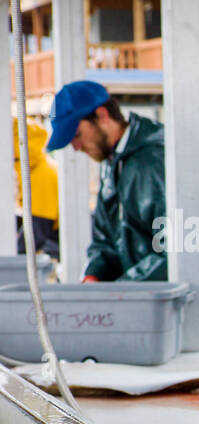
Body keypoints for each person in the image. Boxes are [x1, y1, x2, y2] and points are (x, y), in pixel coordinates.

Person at [44, 80, 167, 282]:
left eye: (77, 135)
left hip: (162, 298)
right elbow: (105, 239)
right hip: (137, 293)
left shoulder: (153, 161)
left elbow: (176, 250)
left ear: (102, 115)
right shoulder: (112, 163)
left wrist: (122, 289)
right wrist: (93, 274)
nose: (76, 147)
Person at [13, 119, 59, 259]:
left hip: (60, 243)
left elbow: (36, 231)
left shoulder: (42, 175)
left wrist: (12, 255)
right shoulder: (34, 168)